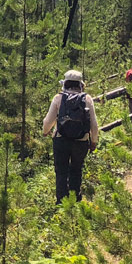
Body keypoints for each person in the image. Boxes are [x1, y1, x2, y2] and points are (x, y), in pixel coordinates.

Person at [42, 69, 100, 204]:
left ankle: (61, 202)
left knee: (61, 171)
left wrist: (46, 132)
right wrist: (94, 141)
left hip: (61, 139)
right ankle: (75, 200)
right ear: (81, 85)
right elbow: (94, 124)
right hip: (81, 141)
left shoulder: (58, 98)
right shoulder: (87, 99)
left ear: (65, 83)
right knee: (76, 169)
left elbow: (48, 121)